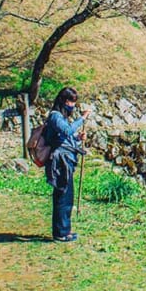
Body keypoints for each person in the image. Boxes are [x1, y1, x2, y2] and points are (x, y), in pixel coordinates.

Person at [44, 87, 91, 242]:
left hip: (66, 160)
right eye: (71, 102)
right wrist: (82, 118)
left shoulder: (61, 117)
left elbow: (65, 137)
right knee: (62, 196)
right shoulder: (55, 116)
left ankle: (65, 230)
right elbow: (66, 131)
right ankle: (60, 233)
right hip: (59, 161)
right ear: (64, 101)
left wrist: (78, 138)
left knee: (67, 196)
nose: (73, 105)